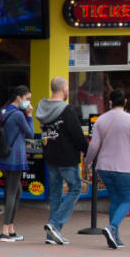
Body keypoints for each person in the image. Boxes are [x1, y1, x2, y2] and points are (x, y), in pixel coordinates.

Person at [85, 88, 130, 249]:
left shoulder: (101, 120)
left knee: (115, 199)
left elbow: (93, 145)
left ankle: (115, 237)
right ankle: (112, 228)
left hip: (104, 167)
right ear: (125, 102)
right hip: (125, 167)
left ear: (110, 102)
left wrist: (87, 162)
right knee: (127, 200)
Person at [36, 76, 89, 245]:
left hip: (50, 154)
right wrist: (88, 151)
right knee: (76, 187)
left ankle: (52, 235)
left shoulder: (41, 108)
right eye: (67, 88)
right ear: (63, 89)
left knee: (55, 193)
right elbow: (76, 134)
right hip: (66, 156)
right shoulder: (66, 109)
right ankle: (55, 224)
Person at [0, 86, 33, 242]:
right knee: (12, 191)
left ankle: (10, 228)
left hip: (3, 155)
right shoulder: (18, 115)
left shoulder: (2, 112)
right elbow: (30, 133)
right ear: (18, 97)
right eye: (27, 98)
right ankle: (5, 230)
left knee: (16, 191)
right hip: (16, 156)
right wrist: (29, 115)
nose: (28, 102)